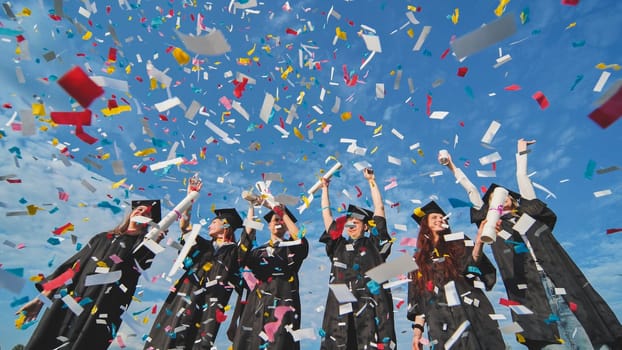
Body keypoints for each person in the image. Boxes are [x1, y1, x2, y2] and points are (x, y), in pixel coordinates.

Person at [443, 139, 622, 349]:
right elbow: (472, 191)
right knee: (550, 344)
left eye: (507, 195)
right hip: (531, 295)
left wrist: (521, 154)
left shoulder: (530, 216)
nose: (503, 197)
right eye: (495, 197)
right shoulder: (493, 227)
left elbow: (522, 178)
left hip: (560, 283)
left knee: (584, 338)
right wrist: (452, 167)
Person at [17, 199, 164, 350]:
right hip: (70, 300)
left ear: (149, 222)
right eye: (139, 209)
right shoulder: (101, 238)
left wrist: (153, 243)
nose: (141, 213)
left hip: (102, 307)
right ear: (132, 213)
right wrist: (41, 299)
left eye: (147, 214)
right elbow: (71, 268)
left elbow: (141, 265)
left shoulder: (141, 247)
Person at [144, 178, 253, 349]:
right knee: (170, 333)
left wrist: (252, 206)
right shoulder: (203, 246)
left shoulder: (234, 252)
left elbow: (248, 236)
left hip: (212, 302)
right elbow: (185, 226)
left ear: (226, 226)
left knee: (199, 340)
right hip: (186, 294)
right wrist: (190, 198)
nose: (210, 225)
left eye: (214, 222)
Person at [407, 201, 505, 350]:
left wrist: (479, 242)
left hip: (471, 313)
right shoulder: (417, 261)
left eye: (443, 217)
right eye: (434, 217)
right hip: (440, 324)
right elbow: (419, 301)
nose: (440, 219)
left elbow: (472, 266)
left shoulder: (459, 242)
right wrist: (417, 333)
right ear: (425, 225)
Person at [318, 167, 396, 349]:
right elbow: (327, 217)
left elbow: (379, 209)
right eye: (348, 223)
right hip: (340, 308)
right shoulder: (338, 247)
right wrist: (324, 189)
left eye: (356, 222)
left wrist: (371, 181)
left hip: (371, 306)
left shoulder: (374, 245)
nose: (351, 225)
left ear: (366, 226)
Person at [231, 203, 309, 349]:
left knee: (279, 341)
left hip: (284, 300)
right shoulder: (257, 252)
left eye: (282, 221)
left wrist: (283, 213)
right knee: (252, 341)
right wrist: (251, 207)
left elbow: (301, 241)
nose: (279, 223)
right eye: (275, 220)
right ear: (268, 225)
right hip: (258, 303)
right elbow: (241, 253)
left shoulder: (291, 248)